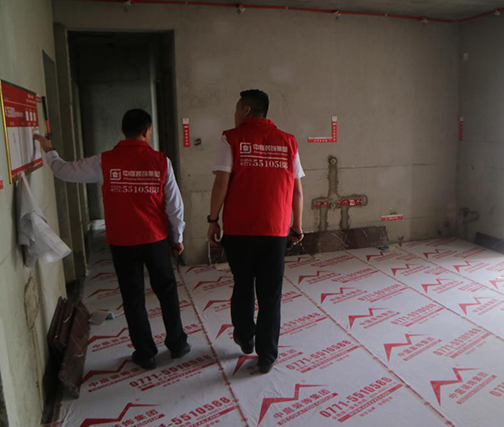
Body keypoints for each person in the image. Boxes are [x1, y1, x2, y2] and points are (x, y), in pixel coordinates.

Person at [34, 109, 190, 370]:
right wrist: (178, 237)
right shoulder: (161, 161)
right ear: (147, 131)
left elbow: (64, 171)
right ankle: (177, 344)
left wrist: (49, 151)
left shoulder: (104, 161)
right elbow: (174, 206)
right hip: (155, 239)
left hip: (123, 242)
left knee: (133, 297)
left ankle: (145, 354)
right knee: (167, 292)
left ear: (123, 130)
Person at [208, 89, 305, 374]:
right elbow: (297, 190)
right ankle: (267, 355)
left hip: (239, 231)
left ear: (247, 110)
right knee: (270, 295)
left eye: (237, 107)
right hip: (275, 232)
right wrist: (297, 226)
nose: (235, 113)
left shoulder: (231, 138)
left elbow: (221, 183)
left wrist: (213, 219)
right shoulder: (288, 141)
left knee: (242, 285)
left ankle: (245, 336)